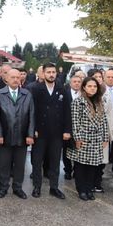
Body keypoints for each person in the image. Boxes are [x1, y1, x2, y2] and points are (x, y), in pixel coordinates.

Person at [30, 63, 71, 199]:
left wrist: (66, 130)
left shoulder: (62, 89)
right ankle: (37, 187)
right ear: (43, 73)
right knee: (37, 161)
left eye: (53, 72)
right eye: (48, 72)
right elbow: (32, 112)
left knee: (54, 161)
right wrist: (33, 129)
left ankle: (54, 187)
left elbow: (67, 111)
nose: (51, 74)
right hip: (40, 132)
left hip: (57, 133)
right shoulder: (35, 89)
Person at [0, 69, 35, 199]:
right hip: (5, 135)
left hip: (22, 136)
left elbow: (32, 115)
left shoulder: (27, 94)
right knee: (4, 164)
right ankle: (3, 187)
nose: (16, 79)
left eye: (18, 77)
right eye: (13, 77)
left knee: (19, 165)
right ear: (6, 78)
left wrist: (30, 135)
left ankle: (17, 188)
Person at [67, 77, 109, 201]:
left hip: (96, 139)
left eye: (95, 86)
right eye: (90, 86)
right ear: (84, 87)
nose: (92, 88)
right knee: (81, 166)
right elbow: (75, 122)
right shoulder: (78, 102)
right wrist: (77, 139)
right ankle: (81, 189)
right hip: (83, 139)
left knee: (93, 166)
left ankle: (89, 188)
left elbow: (104, 122)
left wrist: (105, 138)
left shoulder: (99, 102)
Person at [63, 74, 83, 180]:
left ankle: (77, 170)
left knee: (79, 149)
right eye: (74, 81)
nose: (76, 83)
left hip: (81, 127)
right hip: (68, 127)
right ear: (70, 83)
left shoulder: (85, 95)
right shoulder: (65, 94)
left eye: (79, 82)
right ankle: (67, 170)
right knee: (67, 150)